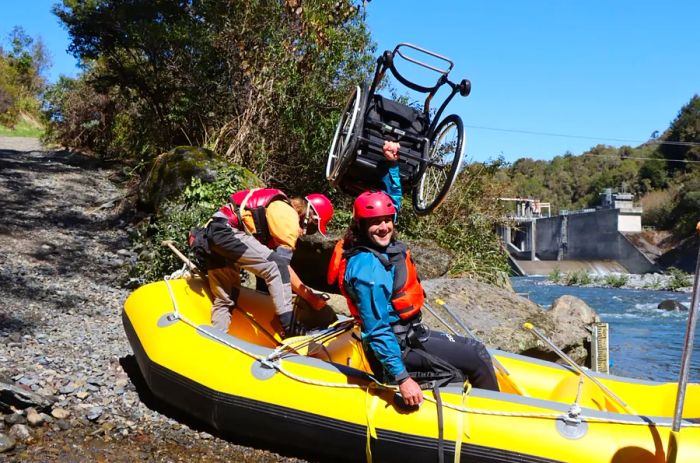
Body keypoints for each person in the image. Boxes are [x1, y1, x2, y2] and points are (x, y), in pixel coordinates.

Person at [328, 141, 498, 406]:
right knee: (468, 361)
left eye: (387, 220)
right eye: (375, 223)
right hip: (396, 351)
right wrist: (402, 378)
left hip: (411, 336)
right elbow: (376, 330)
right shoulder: (367, 270)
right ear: (361, 226)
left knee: (475, 351)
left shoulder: (380, 240)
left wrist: (391, 165)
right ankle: (490, 421)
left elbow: (391, 201)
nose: (383, 227)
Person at [205, 188, 333, 337]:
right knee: (276, 266)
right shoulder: (288, 213)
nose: (304, 233)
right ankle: (290, 327)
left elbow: (280, 269)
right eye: (311, 227)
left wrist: (307, 295)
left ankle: (218, 338)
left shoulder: (276, 210)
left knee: (225, 299)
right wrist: (310, 298)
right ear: (308, 215)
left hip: (213, 235)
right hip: (228, 232)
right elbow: (280, 267)